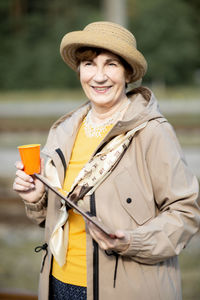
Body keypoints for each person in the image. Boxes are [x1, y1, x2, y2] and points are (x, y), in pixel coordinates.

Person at [13, 21, 200, 300]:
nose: (98, 77)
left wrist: (132, 241)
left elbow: (186, 213)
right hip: (58, 283)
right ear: (80, 71)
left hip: (127, 289)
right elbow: (52, 218)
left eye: (111, 64)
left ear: (128, 73)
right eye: (89, 64)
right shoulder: (62, 130)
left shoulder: (153, 132)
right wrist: (37, 197)